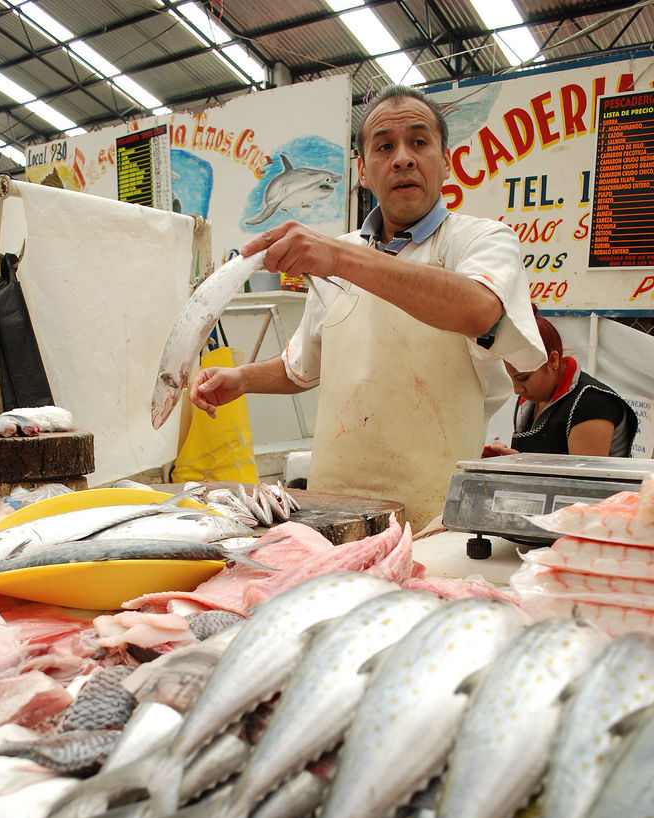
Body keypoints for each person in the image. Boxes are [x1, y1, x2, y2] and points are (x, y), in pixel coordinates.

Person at [189, 84, 546, 529]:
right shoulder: (337, 253)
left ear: (446, 161)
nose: (402, 159)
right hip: (334, 513)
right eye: (384, 147)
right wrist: (241, 378)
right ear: (363, 170)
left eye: (419, 142)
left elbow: (480, 310)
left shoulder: (481, 240)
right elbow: (302, 367)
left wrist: (340, 259)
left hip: (437, 516)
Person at [486, 311, 638, 457]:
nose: (517, 390)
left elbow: (583, 473)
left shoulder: (592, 403)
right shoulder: (530, 401)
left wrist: (519, 462)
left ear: (553, 360)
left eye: (523, 378)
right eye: (511, 378)